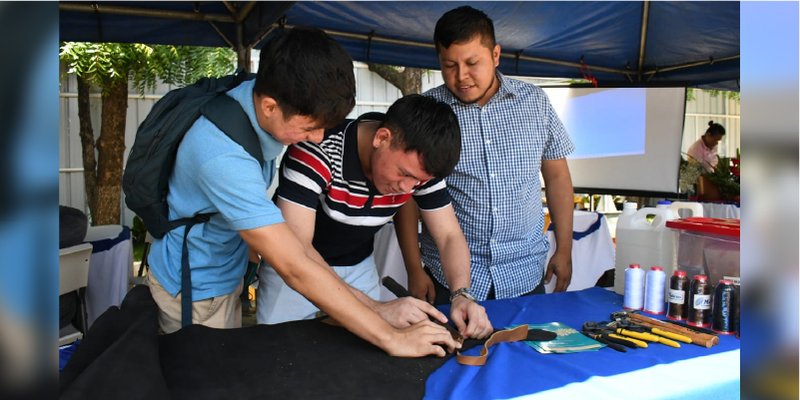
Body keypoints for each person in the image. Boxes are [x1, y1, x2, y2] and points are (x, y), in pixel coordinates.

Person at [146, 28, 460, 357]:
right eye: (310, 127)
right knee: (207, 372)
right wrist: (389, 333)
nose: (319, 139)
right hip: (196, 286)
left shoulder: (255, 97)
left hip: (225, 271)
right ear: (270, 107)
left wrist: (378, 308)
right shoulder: (222, 156)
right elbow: (294, 262)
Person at [258, 94, 493, 339]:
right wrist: (376, 308)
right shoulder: (317, 149)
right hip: (292, 269)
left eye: (419, 182)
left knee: (361, 360)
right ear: (382, 138)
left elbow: (448, 235)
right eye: (403, 174)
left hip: (358, 266)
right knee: (282, 351)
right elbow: (299, 251)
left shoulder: (418, 168)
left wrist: (461, 294)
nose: (407, 189)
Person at [396, 6, 576, 305]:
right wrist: (414, 269)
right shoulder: (427, 112)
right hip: (450, 279)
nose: (461, 76)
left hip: (525, 273)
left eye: (472, 63)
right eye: (449, 65)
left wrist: (565, 249)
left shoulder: (535, 103)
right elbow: (406, 197)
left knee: (527, 351)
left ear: (495, 55)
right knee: (453, 352)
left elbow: (557, 177)